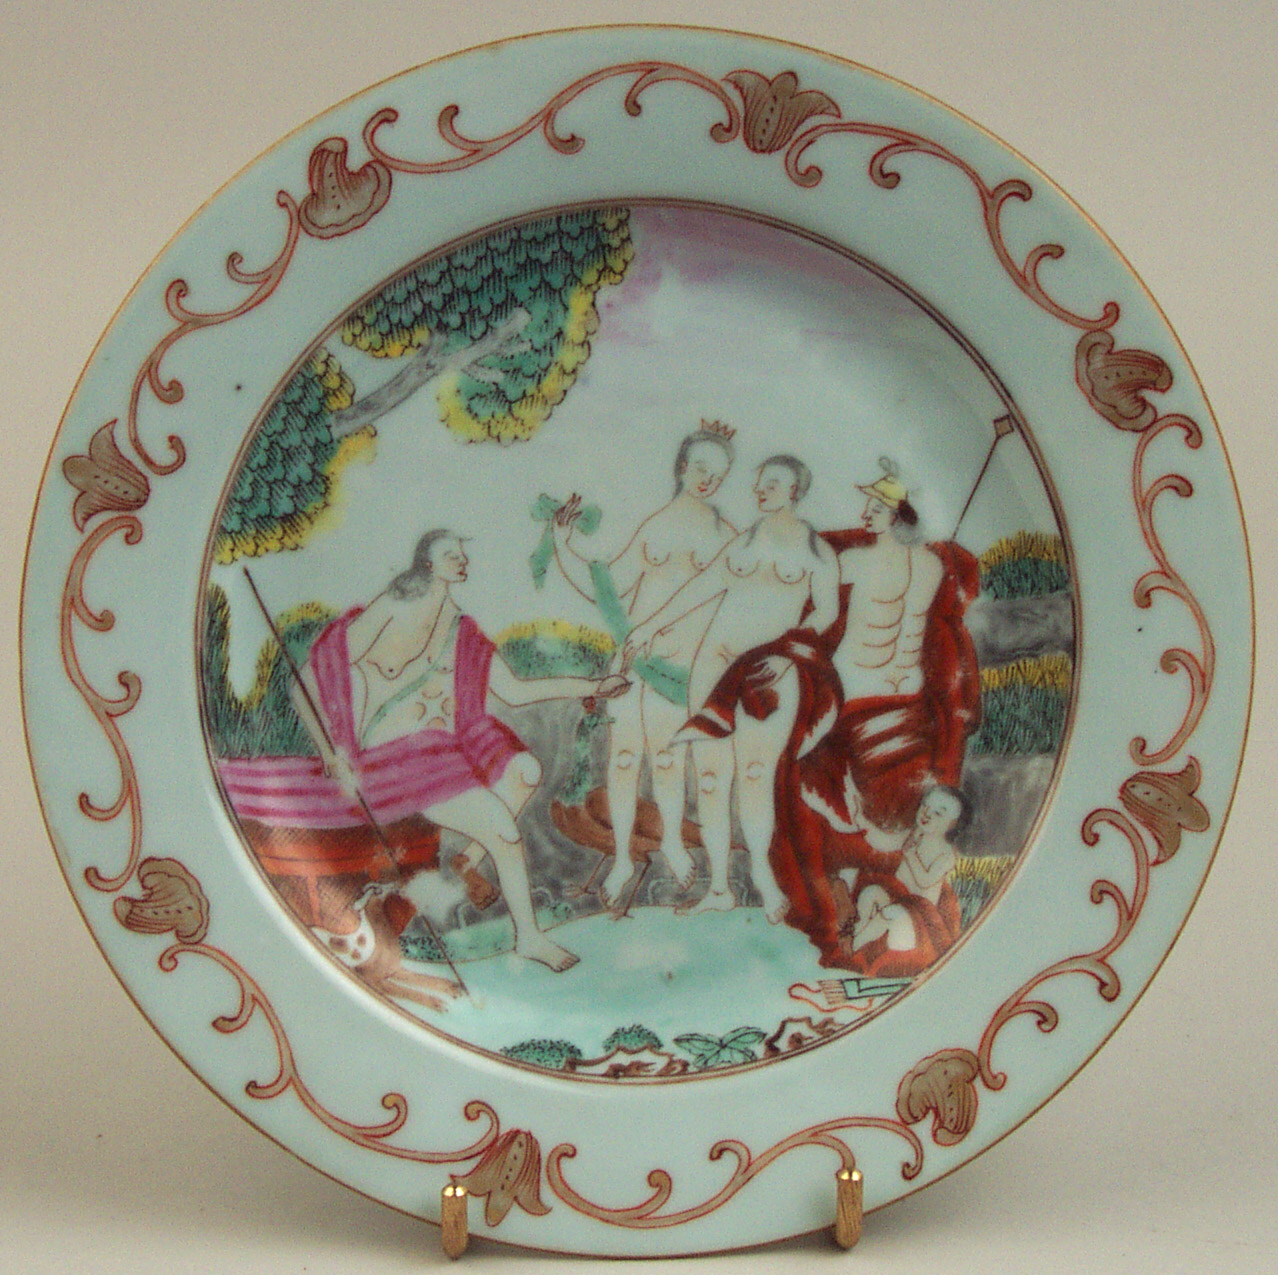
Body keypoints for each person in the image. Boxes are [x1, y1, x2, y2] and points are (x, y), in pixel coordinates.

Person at [292, 529, 628, 972]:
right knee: (503, 832)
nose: (463, 559)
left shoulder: (459, 628)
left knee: (525, 771)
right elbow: (304, 682)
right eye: (452, 554)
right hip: (390, 759)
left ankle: (469, 859)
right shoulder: (389, 610)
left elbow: (515, 691)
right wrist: (330, 752)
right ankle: (529, 939)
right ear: (427, 564)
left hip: (439, 752)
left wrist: (595, 686)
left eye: (463, 552)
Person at [625, 455, 840, 921]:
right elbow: (700, 589)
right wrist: (648, 626)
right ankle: (719, 886)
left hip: (771, 674)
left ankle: (762, 875)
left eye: (772, 484)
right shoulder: (742, 542)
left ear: (794, 491)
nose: (760, 490)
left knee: (756, 777)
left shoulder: (817, 551)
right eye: (759, 483)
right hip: (713, 669)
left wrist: (786, 654)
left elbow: (826, 611)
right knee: (709, 780)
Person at [549, 423, 737, 905]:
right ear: (682, 466)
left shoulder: (726, 537)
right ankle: (623, 859)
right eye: (701, 467)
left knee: (668, 761)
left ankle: (672, 841)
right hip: (633, 665)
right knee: (624, 758)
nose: (708, 480)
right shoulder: (655, 525)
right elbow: (605, 587)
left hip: (681, 671)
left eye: (718, 474)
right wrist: (562, 544)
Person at [832, 783, 969, 977]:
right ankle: (859, 943)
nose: (926, 814)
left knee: (891, 912)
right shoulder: (914, 834)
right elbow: (885, 841)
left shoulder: (947, 855)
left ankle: (852, 947)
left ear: (951, 824)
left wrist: (911, 855)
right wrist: (861, 820)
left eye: (938, 813)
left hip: (919, 916)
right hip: (896, 897)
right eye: (925, 806)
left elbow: (925, 880)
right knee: (870, 893)